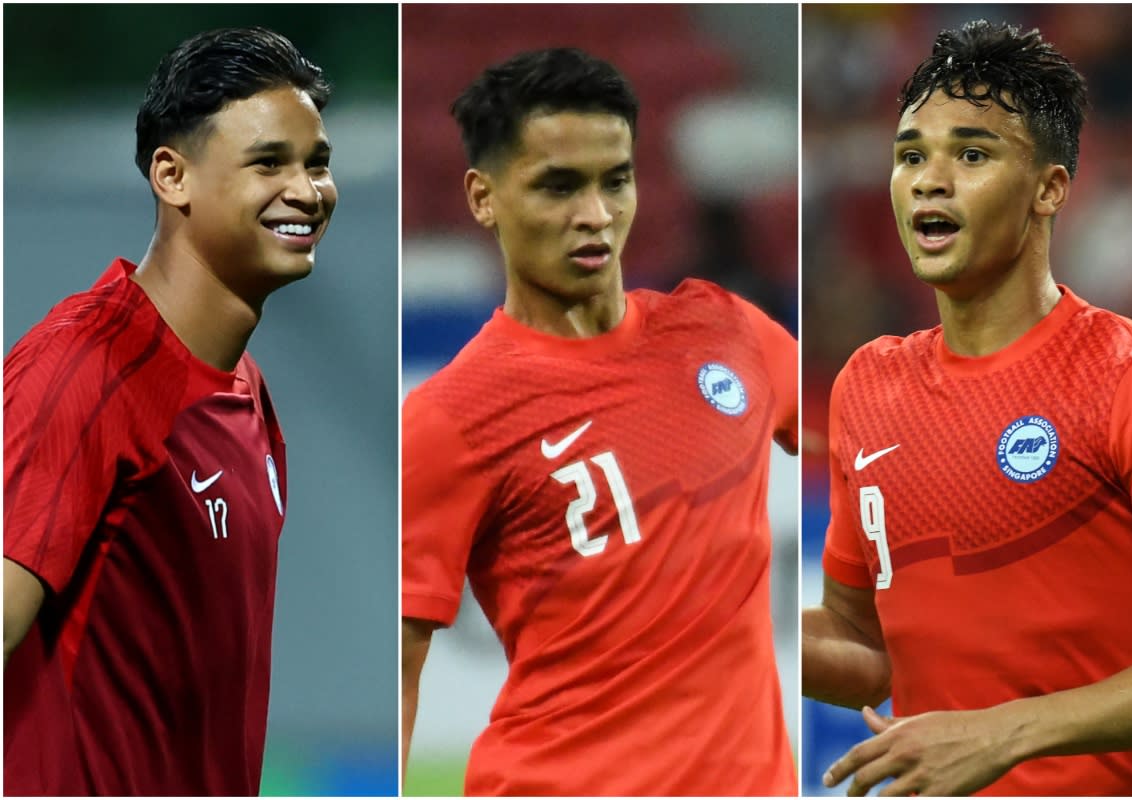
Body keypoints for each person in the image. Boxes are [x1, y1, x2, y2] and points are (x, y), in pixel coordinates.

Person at [803, 19, 1132, 796]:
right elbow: (864, 645)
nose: (928, 180)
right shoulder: (868, 385)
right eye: (910, 155)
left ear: (1050, 188)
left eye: (971, 155)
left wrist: (1005, 730)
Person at [402, 48, 798, 795]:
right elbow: (397, 666)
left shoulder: (727, 333)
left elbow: (878, 443)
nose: (595, 215)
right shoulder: (450, 417)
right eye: (558, 186)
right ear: (483, 197)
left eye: (615, 181)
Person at [3, 27, 337, 795]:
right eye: (268, 163)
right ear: (172, 175)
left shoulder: (246, 391)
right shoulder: (86, 367)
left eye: (316, 162)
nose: (307, 190)